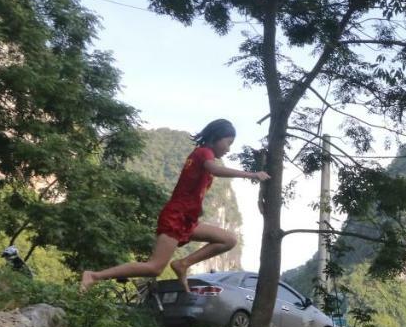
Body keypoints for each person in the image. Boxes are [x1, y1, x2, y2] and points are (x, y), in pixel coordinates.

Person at [81, 119, 268, 291]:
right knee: (154, 268)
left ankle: (183, 264)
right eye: (228, 143)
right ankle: (94, 275)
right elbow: (215, 169)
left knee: (229, 239)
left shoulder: (203, 155)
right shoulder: (204, 152)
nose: (228, 149)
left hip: (187, 218)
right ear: (216, 137)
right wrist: (252, 174)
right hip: (175, 216)